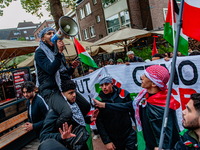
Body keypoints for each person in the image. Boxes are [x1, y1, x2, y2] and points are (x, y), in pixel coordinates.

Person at [93, 65, 180, 150]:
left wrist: (165, 148)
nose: (141, 77)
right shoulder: (144, 97)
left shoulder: (163, 106)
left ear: (154, 83)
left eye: (145, 76)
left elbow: (170, 133)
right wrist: (104, 105)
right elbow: (129, 105)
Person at [35, 27, 90, 128]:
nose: (52, 35)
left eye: (53, 33)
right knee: (66, 113)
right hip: (50, 90)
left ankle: (78, 125)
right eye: (49, 33)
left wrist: (72, 68)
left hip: (62, 86)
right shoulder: (40, 52)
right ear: (43, 38)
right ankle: (52, 130)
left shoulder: (57, 51)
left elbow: (64, 74)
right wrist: (59, 54)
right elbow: (50, 70)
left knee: (85, 106)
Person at [40, 80, 99, 150]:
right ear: (62, 94)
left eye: (74, 92)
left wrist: (89, 119)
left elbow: (76, 119)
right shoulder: (54, 112)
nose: (74, 95)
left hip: (81, 144)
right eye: (70, 93)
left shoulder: (75, 105)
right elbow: (43, 136)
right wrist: (61, 136)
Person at [94, 74, 137, 150]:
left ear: (112, 84)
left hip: (129, 134)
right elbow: (99, 123)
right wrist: (107, 141)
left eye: (106, 84)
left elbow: (133, 112)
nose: (104, 87)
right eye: (101, 85)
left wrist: (139, 129)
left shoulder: (124, 94)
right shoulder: (99, 100)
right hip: (113, 139)